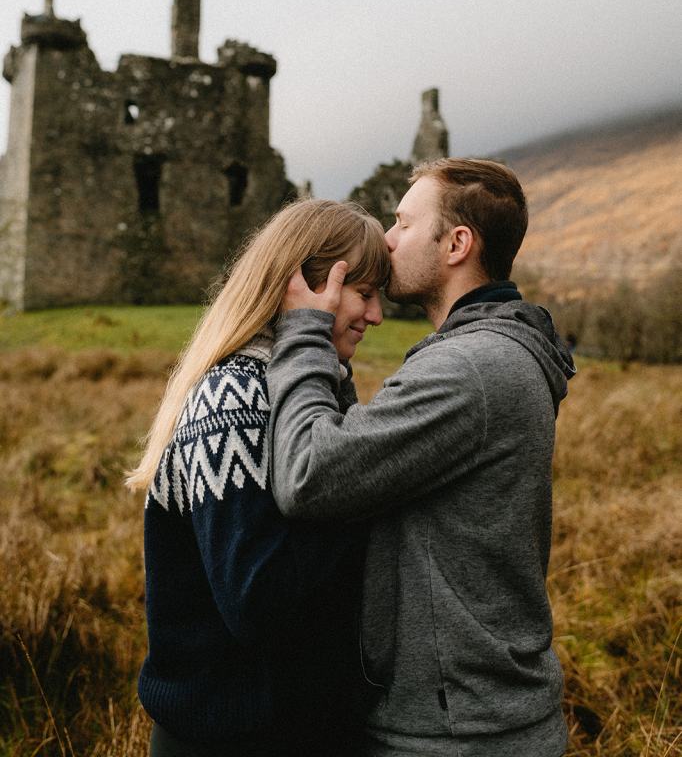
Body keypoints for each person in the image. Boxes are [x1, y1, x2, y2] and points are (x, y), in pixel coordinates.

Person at [266, 158, 576, 757]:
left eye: (404, 223)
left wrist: (304, 331)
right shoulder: (487, 353)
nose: (386, 238)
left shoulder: (469, 369)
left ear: (457, 243)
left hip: (456, 733)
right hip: (472, 717)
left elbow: (308, 474)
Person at [126, 199, 390, 757]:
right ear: (306, 288)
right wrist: (369, 494)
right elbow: (257, 600)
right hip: (228, 737)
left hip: (284, 729)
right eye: (363, 293)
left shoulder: (303, 389)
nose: (376, 315)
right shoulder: (237, 396)